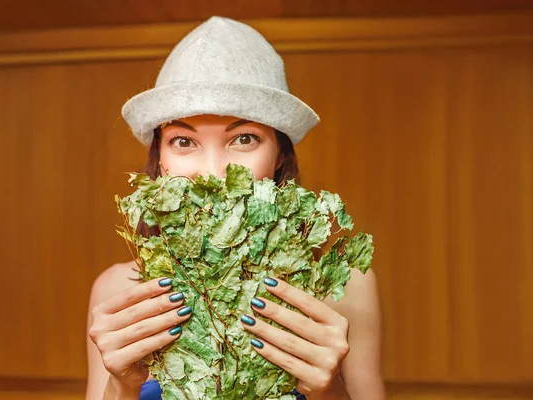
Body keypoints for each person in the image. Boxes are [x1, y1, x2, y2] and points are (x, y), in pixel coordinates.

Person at [86, 16, 384, 400]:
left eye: (243, 139)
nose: (212, 172)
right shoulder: (116, 291)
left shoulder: (344, 288)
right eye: (183, 141)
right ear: (159, 158)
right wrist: (121, 384)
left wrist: (327, 391)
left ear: (279, 156)